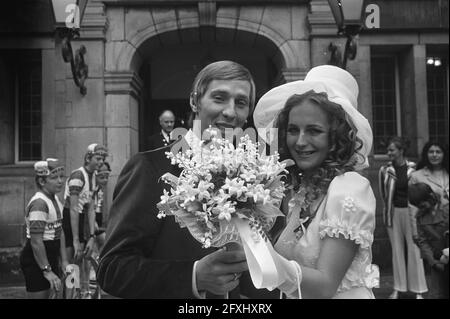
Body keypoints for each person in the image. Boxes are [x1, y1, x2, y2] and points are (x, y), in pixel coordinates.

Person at [97, 60, 274, 299]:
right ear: (194, 101)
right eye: (219, 98)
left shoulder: (253, 176)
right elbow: (112, 270)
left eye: (241, 103)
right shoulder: (149, 168)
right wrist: (193, 276)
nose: (231, 112)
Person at [253, 64, 379, 298]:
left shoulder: (349, 187)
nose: (300, 142)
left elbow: (324, 286)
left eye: (313, 130)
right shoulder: (301, 189)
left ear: (337, 136)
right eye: (293, 129)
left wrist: (255, 251)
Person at [378, 137, 428, 299]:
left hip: (412, 213)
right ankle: (397, 288)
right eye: (388, 150)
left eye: (392, 150)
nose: (389, 153)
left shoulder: (414, 169)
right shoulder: (384, 170)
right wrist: (387, 210)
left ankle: (418, 290)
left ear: (401, 151)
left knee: (415, 250)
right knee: (397, 251)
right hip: (393, 213)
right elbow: (382, 193)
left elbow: (421, 192)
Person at [62, 143, 108, 296]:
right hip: (70, 218)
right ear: (88, 157)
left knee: (83, 260)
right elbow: (74, 209)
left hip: (83, 220)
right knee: (72, 264)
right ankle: (70, 295)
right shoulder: (78, 175)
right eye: (98, 158)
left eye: (102, 158)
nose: (101, 162)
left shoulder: (94, 177)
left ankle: (82, 292)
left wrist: (91, 236)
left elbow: (91, 208)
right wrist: (76, 239)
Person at [20, 158, 68, 298]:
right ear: (42, 181)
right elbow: (36, 242)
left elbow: (60, 230)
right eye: (54, 178)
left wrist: (64, 260)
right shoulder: (39, 204)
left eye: (61, 177)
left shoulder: (56, 199)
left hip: (50, 254)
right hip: (36, 260)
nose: (60, 181)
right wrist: (46, 270)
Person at [409, 183, 449, 299]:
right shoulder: (420, 217)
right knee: (437, 294)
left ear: (431, 196)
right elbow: (422, 241)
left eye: (423, 204)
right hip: (437, 260)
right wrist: (433, 262)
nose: (422, 208)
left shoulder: (447, 207)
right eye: (418, 206)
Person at [410, 141, 449, 206]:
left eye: (438, 152)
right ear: (426, 154)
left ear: (444, 154)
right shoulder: (416, 176)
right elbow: (412, 205)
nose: (434, 155)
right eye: (431, 152)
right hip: (428, 215)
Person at [92, 161, 111, 254]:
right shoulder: (92, 189)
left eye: (107, 177)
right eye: (102, 177)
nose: (105, 180)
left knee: (105, 244)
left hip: (98, 224)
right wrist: (93, 222)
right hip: (88, 225)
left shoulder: (100, 190)